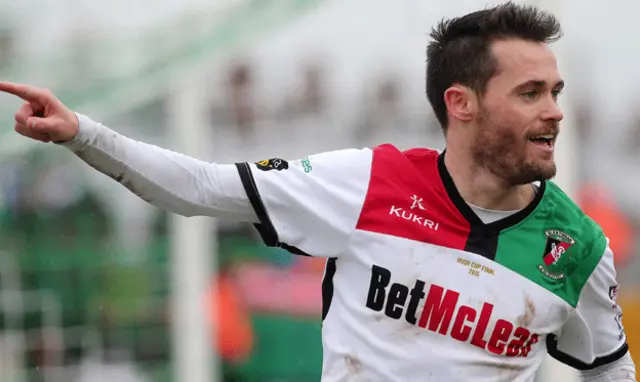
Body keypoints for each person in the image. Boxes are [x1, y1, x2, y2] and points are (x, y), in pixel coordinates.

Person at [1, 3, 636, 381]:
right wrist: (82, 133)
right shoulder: (370, 183)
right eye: (530, 93)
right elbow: (201, 187)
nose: (554, 110)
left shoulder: (576, 245)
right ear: (461, 104)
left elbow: (610, 368)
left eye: (555, 92)